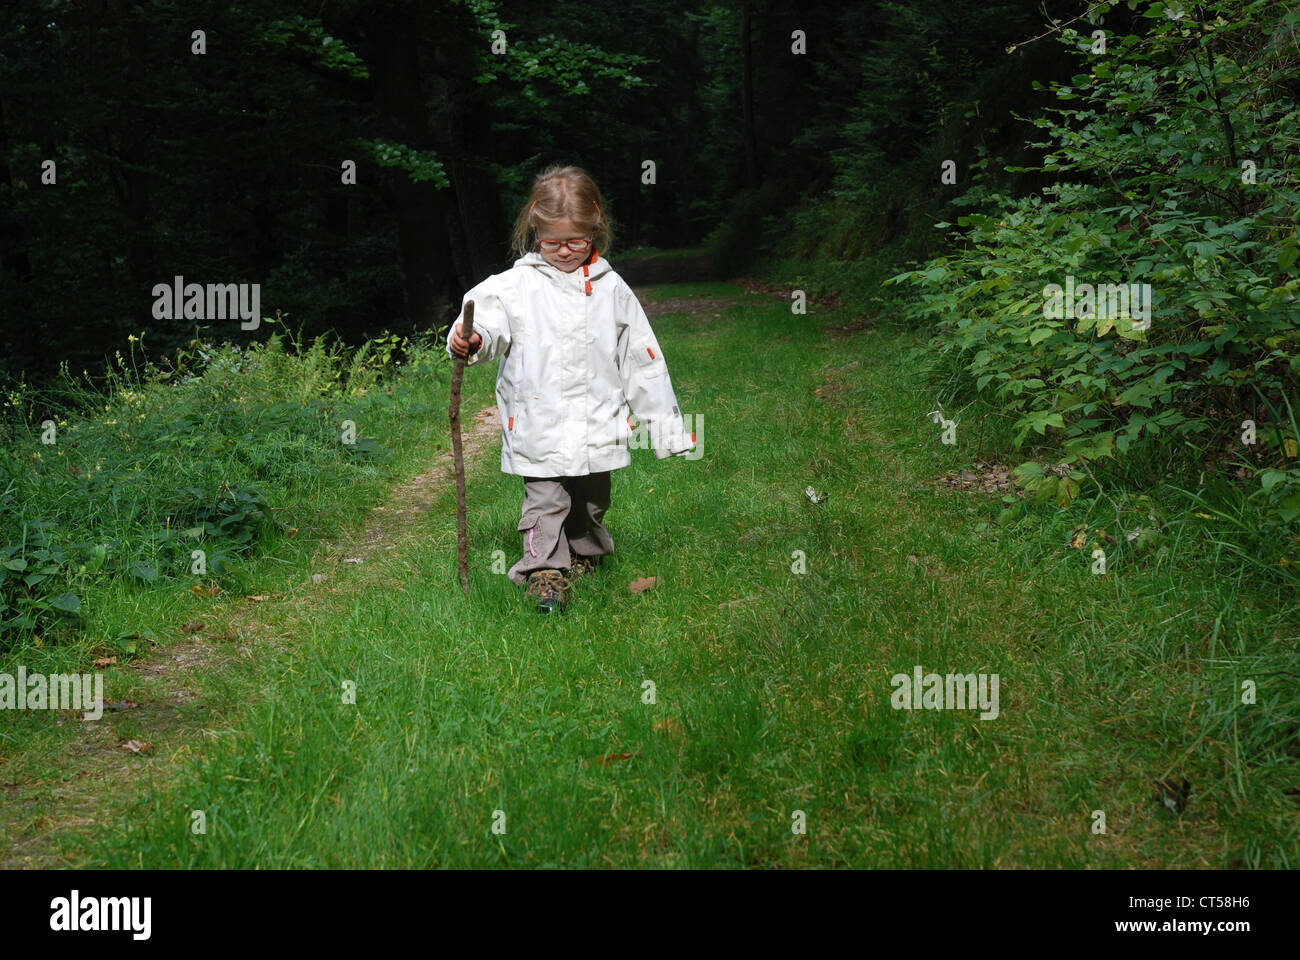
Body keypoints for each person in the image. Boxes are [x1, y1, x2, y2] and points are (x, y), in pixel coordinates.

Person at [446, 165, 695, 613]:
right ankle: (544, 572)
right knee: (545, 500)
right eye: (552, 242)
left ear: (595, 227)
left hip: (597, 421)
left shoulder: (612, 289)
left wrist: (666, 430)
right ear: (534, 230)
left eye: (575, 241)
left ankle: (586, 556)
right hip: (538, 421)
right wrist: (472, 338)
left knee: (591, 502)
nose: (564, 251)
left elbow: (642, 360)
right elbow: (485, 318)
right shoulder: (515, 285)